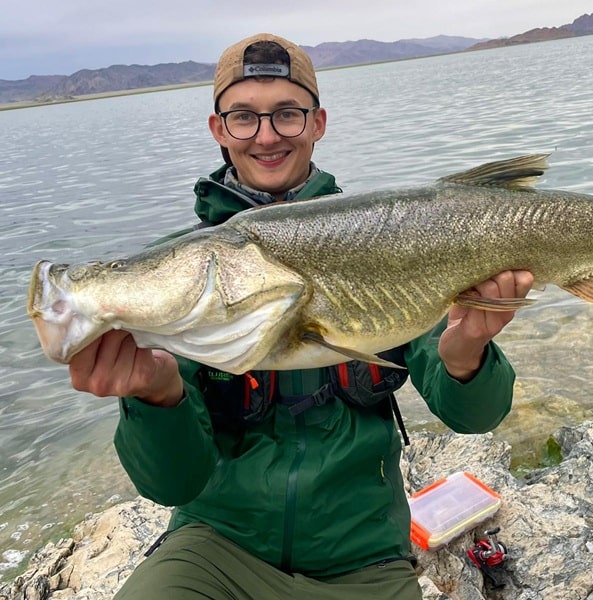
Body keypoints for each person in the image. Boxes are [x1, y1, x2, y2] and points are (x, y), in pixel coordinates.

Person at [68, 33, 534, 600]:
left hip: (365, 558)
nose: (266, 136)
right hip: (216, 550)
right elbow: (171, 484)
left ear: (317, 123)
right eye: (244, 117)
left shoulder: (392, 238)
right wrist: (154, 399)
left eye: (287, 115)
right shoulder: (181, 272)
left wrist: (466, 357)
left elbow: (476, 417)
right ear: (219, 129)